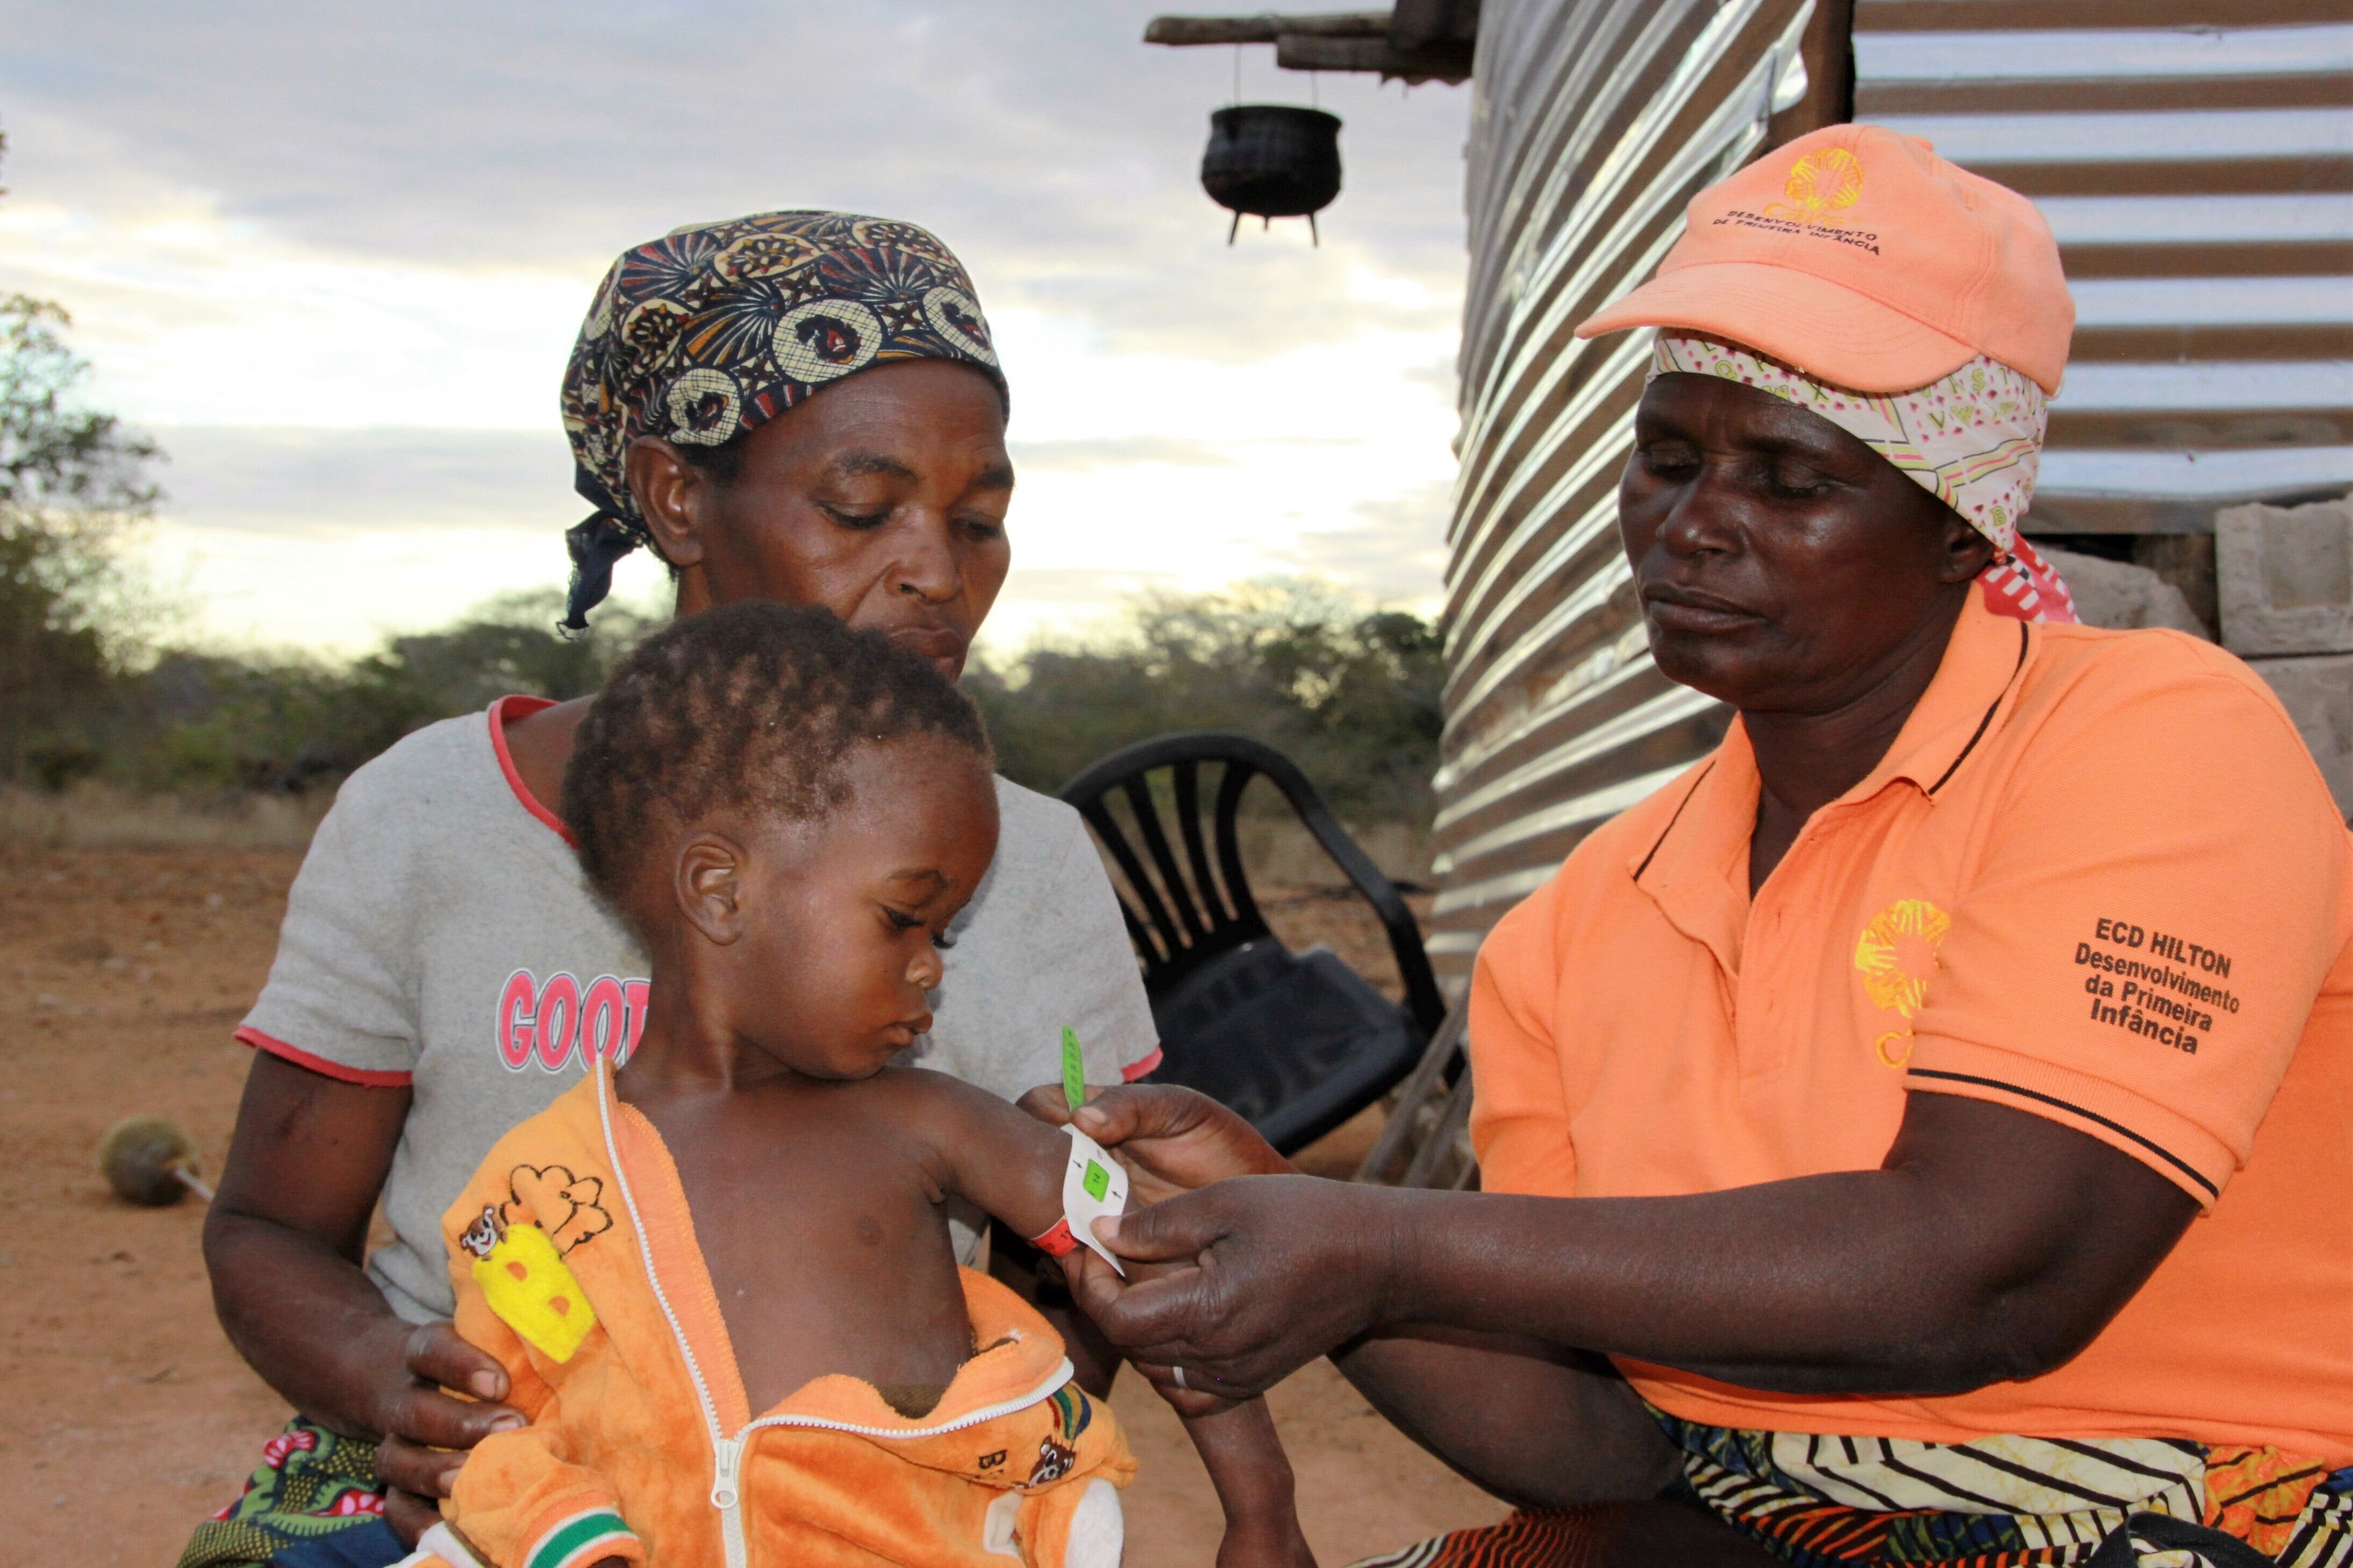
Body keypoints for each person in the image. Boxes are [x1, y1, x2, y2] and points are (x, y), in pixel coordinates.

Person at [1050, 126, 2353, 1567]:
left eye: (1789, 482)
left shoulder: (2154, 738)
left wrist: (1386, 1246)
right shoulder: (1582, 921)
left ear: (1963, 529)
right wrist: (1276, 1203)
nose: (1691, 529)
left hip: (2183, 1508)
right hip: (1755, 1516)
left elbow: (1997, 1271)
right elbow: (1607, 1437)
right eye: (1665, 461)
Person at [188, 213, 1162, 1568]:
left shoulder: (1033, 859)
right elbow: (268, 1229)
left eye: (980, 520)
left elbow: (1092, 1258)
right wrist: (391, 1380)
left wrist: (940, 1474)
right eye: (861, 509)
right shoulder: (432, 817)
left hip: (858, 1499)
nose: (939, 572)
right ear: (674, 496)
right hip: (472, 1474)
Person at [394, 603, 1308, 1568]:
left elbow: (1163, 1274)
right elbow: (502, 1424)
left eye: (943, 932)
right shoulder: (540, 1185)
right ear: (717, 890)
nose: (931, 968)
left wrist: (1262, 1517)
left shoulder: (932, 1122)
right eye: (904, 918)